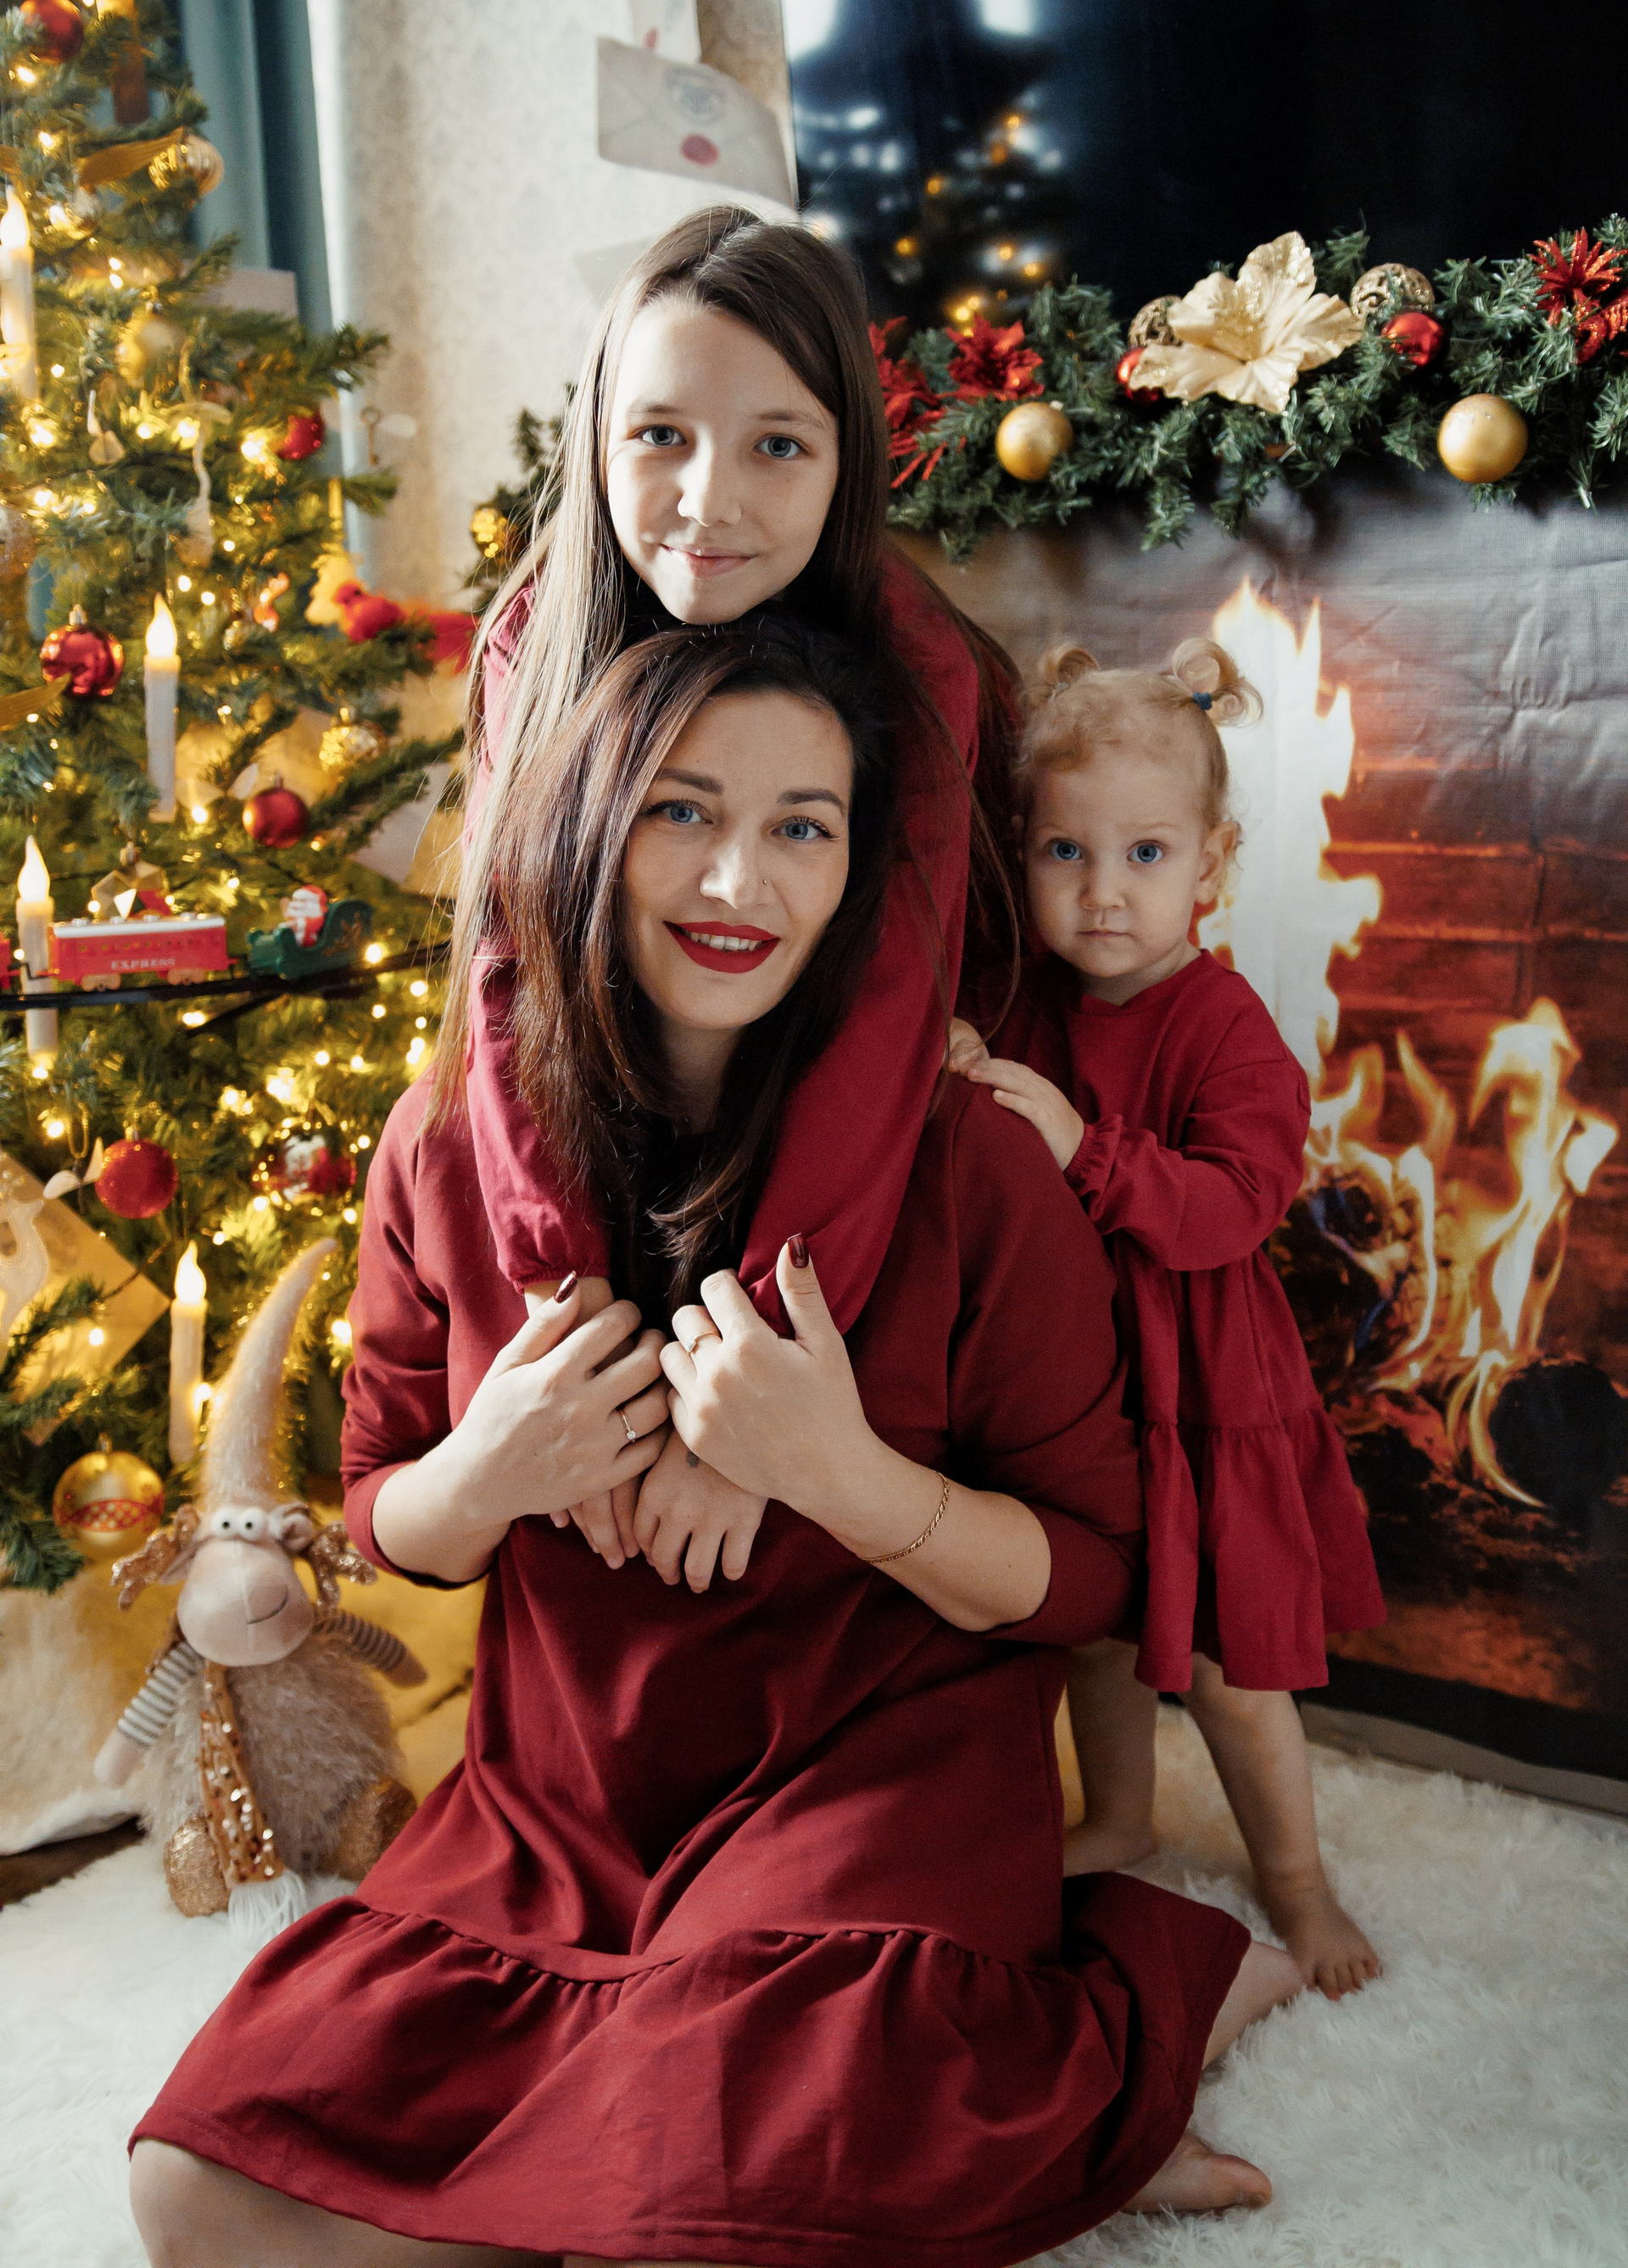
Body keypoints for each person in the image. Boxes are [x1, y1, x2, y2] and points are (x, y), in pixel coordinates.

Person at [130, 620, 1302, 2268]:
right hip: (563, 1802)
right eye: (682, 811)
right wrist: (492, 1467)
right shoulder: (444, 1144)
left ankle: (1130, 2013)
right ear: (589, 827)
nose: (740, 878)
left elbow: (1095, 1572)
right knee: (203, 2194)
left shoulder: (973, 1162)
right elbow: (388, 1506)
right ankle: (904, 2129)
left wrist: (852, 1481)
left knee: (709, 2210)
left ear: (859, 870)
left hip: (866, 1786)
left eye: (801, 827)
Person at [455, 201, 1021, 1592]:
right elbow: (508, 975)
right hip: (623, 1110)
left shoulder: (919, 673)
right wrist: (574, 1325)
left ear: (846, 463)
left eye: (778, 445)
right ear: (599, 439)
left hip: (856, 1155)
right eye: (661, 435)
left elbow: (885, 1020)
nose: (710, 500)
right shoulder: (535, 638)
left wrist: (747, 1387)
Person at [951, 635, 1387, 2002]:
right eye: (1065, 853)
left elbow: (1233, 1210)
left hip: (1201, 1387)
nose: (1103, 891)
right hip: (1081, 1389)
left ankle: (1299, 1883)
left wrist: (1083, 1147)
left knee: (1229, 1670)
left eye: (1145, 854)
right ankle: (1123, 1815)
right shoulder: (1027, 1005)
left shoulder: (1226, 1028)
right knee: (1092, 1626)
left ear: (1212, 865)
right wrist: (963, 1065)